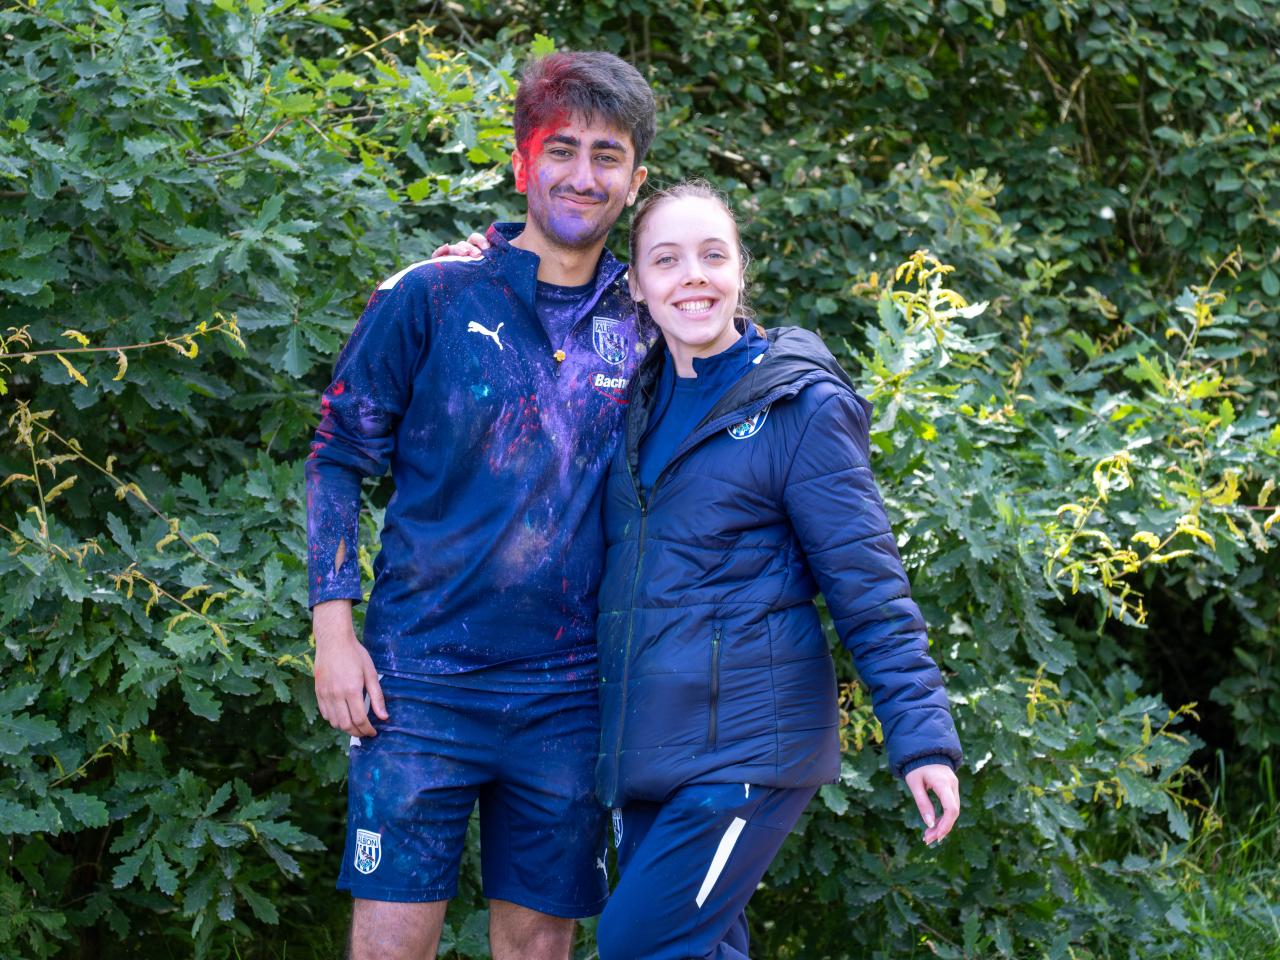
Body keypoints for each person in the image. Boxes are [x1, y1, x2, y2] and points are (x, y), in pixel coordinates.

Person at [305, 52, 654, 960]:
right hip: (416, 683)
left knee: (538, 948)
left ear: (635, 177)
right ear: (521, 163)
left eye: (607, 154)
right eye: (563, 149)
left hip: (571, 695)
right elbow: (338, 460)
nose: (584, 174)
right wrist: (333, 636)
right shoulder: (430, 294)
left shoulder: (649, 321)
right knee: (389, 946)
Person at [588, 180, 964, 960]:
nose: (692, 275)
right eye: (667, 259)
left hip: (746, 748)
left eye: (712, 255)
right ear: (638, 286)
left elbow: (869, 584)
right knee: (703, 948)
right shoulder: (632, 402)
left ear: (739, 271)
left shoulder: (798, 406)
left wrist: (923, 739)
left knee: (635, 943)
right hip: (650, 745)